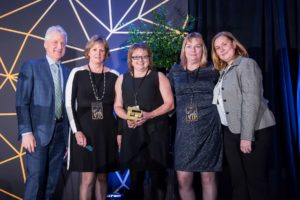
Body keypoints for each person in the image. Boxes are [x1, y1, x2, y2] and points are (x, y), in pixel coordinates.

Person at [211, 31, 276, 200]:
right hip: (231, 131)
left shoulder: (246, 64)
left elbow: (251, 100)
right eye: (217, 48)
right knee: (238, 181)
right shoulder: (224, 70)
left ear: (234, 44)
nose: (221, 49)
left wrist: (247, 136)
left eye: (224, 44)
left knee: (255, 182)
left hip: (253, 130)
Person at [15, 25, 70, 200]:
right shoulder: (31, 66)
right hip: (37, 136)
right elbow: (21, 102)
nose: (59, 46)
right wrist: (26, 132)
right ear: (45, 44)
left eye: (62, 43)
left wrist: (68, 140)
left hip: (60, 136)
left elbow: (69, 107)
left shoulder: (68, 72)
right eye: (55, 42)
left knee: (52, 184)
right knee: (35, 181)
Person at [114, 42, 174, 200]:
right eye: (136, 57)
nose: (140, 60)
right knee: (135, 180)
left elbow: (170, 104)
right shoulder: (122, 79)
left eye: (144, 56)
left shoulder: (159, 77)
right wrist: (129, 117)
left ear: (149, 58)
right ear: (130, 59)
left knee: (158, 179)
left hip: (156, 132)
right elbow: (117, 106)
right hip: (133, 133)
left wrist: (149, 115)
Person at [167, 32, 223, 200]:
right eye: (189, 46)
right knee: (183, 179)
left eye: (197, 46)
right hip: (184, 131)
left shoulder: (213, 69)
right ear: (184, 50)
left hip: (209, 129)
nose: (193, 50)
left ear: (203, 50)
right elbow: (166, 99)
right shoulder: (175, 71)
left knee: (208, 177)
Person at [65, 35, 119, 200]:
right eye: (94, 50)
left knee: (103, 178)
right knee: (88, 179)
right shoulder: (77, 73)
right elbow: (68, 105)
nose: (98, 53)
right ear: (88, 52)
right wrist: (77, 132)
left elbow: (121, 105)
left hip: (107, 134)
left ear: (106, 54)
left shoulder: (115, 75)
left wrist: (120, 133)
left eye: (101, 50)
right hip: (85, 135)